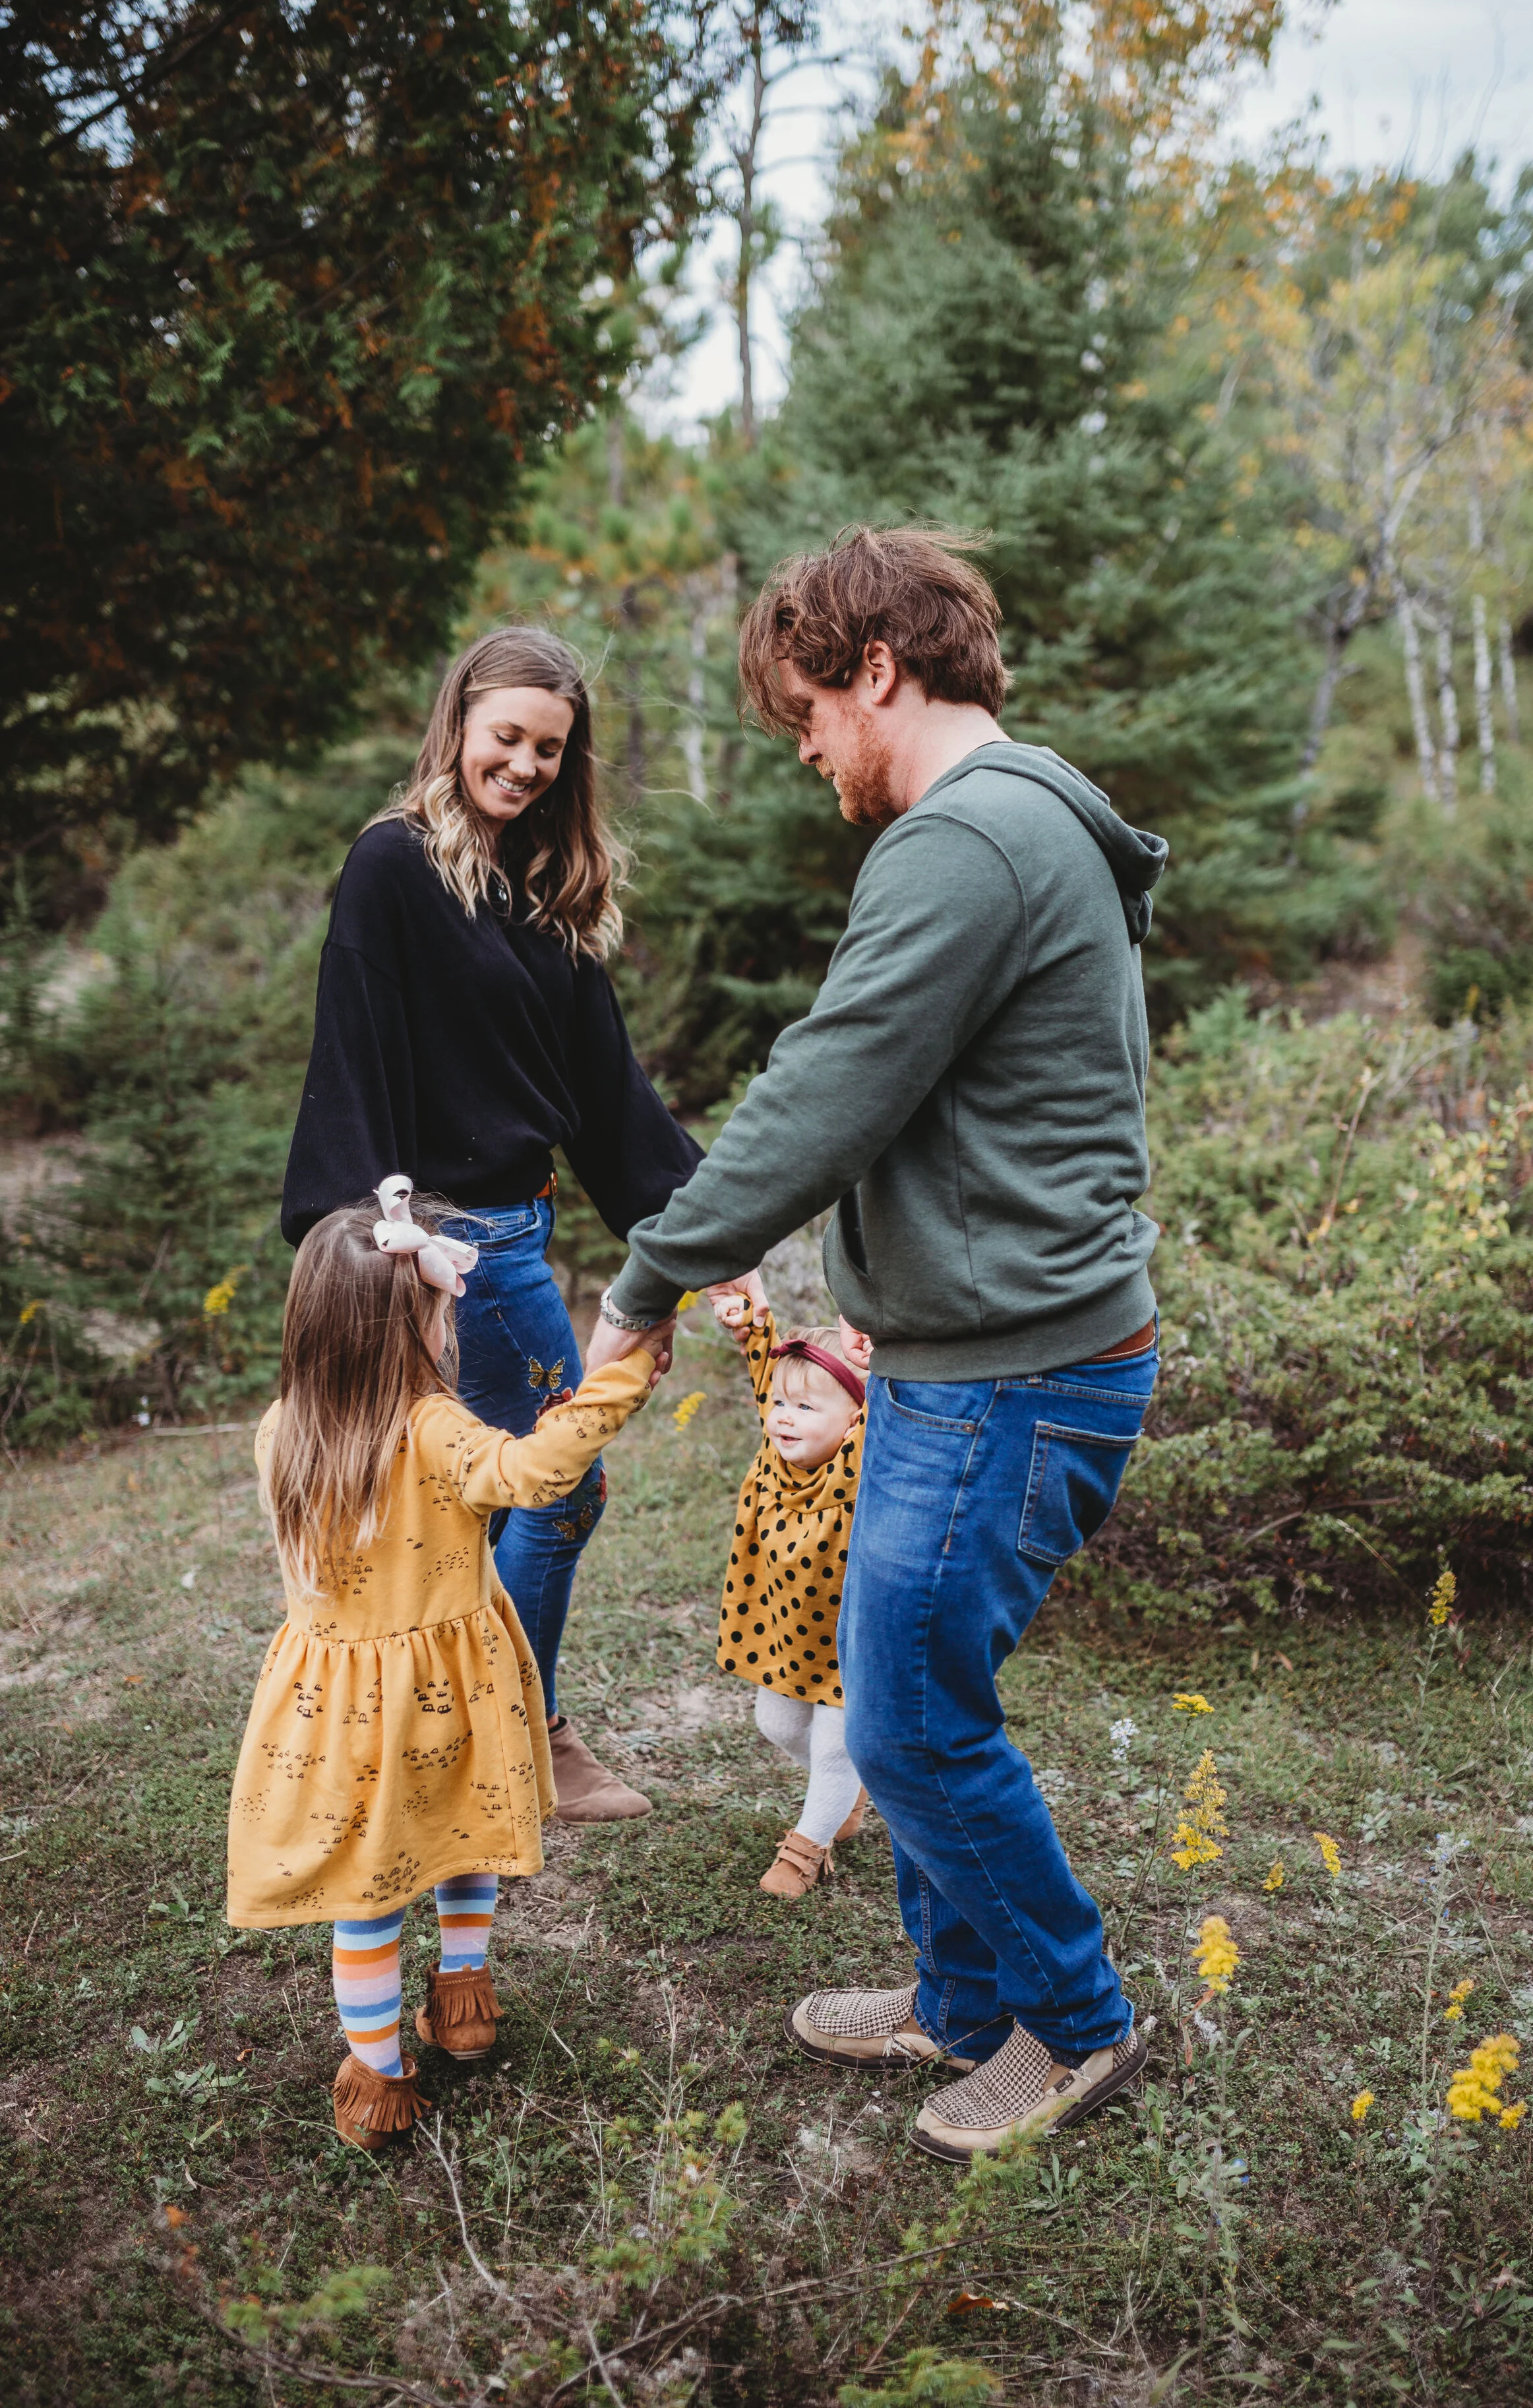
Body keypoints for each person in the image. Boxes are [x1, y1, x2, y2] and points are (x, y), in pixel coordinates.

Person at [586, 526, 1168, 2162]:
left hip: (1015, 1371)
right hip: (970, 1351)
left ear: (879, 669)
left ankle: (1076, 2023)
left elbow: (822, 1097)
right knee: (900, 1680)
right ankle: (960, 1998)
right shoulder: (1034, 807)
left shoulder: (964, 844)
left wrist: (644, 1285)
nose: (810, 755)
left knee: (910, 1717)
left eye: (808, 719)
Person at [281, 626, 711, 1822]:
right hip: (444, 1250)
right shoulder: (393, 865)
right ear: (459, 721)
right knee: (550, 1492)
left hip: (518, 1230)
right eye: (506, 738)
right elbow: (352, 1051)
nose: (523, 765)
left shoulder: (547, 886)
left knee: (481, 1500)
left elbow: (608, 1091)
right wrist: (375, 1241)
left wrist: (703, 1233)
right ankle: (526, 1736)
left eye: (549, 750)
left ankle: (485, 1732)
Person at [225, 1181, 667, 2149]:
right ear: (409, 1326)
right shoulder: (437, 1430)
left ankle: (379, 2078)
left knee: (369, 1890)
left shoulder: (281, 1432)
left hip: (340, 1708)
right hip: (455, 1692)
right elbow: (539, 1475)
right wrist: (620, 1379)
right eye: (439, 1307)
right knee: (466, 1837)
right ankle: (463, 2002)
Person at [709, 1291, 874, 1896]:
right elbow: (763, 1358)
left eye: (805, 1407)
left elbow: (884, 1398)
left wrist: (884, 1366)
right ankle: (849, 1789)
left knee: (835, 1745)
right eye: (779, 1402)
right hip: (784, 1634)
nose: (783, 1416)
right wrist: (745, 1315)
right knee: (777, 1724)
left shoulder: (855, 1464)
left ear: (855, 1418)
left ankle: (808, 1847)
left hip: (850, 1640)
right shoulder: (775, 1453)